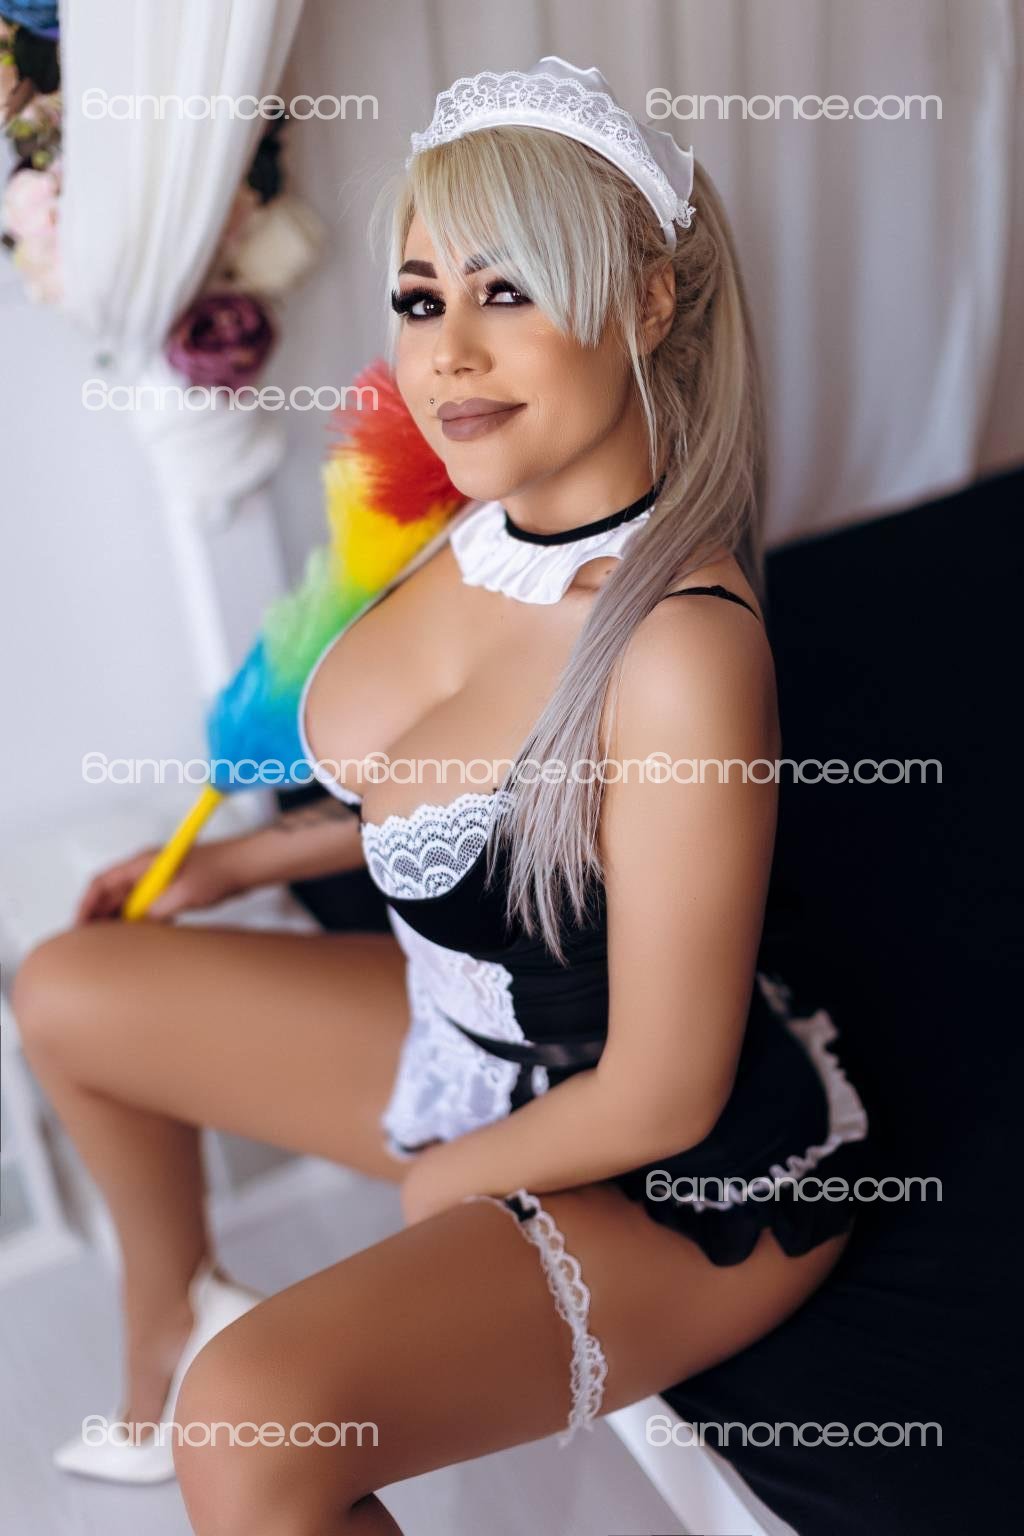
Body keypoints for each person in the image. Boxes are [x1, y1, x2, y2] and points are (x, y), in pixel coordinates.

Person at [14, 55, 871, 1533]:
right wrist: (244, 862)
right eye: (422, 299)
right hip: (461, 1045)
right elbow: (457, 792)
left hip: (661, 1162)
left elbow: (668, 1089)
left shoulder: (678, 649)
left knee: (253, 1431)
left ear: (647, 303)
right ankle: (167, 1325)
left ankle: (207, 1387)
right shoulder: (463, 535)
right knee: (67, 988)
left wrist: (445, 1185)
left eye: (508, 292)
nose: (450, 355)